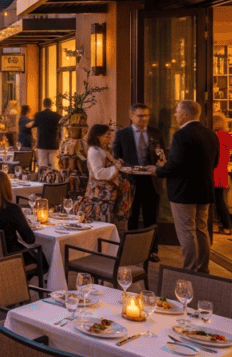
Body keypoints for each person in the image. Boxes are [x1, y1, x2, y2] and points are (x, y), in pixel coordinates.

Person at [153, 100, 218, 273]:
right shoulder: (210, 133)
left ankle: (189, 270)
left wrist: (159, 170)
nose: (175, 115)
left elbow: (176, 165)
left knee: (187, 231)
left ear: (185, 114)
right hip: (204, 189)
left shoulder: (181, 135)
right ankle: (203, 268)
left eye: (177, 112)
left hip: (183, 191)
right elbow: (215, 162)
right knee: (201, 229)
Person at [112, 103, 164, 260]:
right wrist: (121, 167)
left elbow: (162, 153)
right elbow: (116, 156)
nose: (144, 119)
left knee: (151, 218)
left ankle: (152, 251)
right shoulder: (122, 134)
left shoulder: (155, 133)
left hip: (151, 181)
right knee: (132, 217)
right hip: (131, 181)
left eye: (147, 116)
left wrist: (161, 162)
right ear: (131, 116)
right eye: (140, 116)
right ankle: (131, 250)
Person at [81, 124, 132, 233]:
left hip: (110, 195)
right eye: (107, 135)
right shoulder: (94, 151)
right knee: (103, 224)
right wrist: (116, 168)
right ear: (98, 136)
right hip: (100, 196)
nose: (110, 138)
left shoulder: (104, 150)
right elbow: (98, 173)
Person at [211, 114, 232, 236]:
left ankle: (224, 226)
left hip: (213, 171)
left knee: (216, 201)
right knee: (220, 200)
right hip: (223, 171)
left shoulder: (214, 137)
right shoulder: (229, 136)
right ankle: (225, 226)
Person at [29, 98, 61, 169]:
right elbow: (61, 128)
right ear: (51, 105)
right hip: (53, 144)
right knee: (53, 165)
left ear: (43, 105)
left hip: (42, 144)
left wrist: (35, 141)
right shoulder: (57, 116)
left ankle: (43, 179)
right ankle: (52, 179)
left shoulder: (38, 115)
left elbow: (33, 127)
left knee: (43, 166)